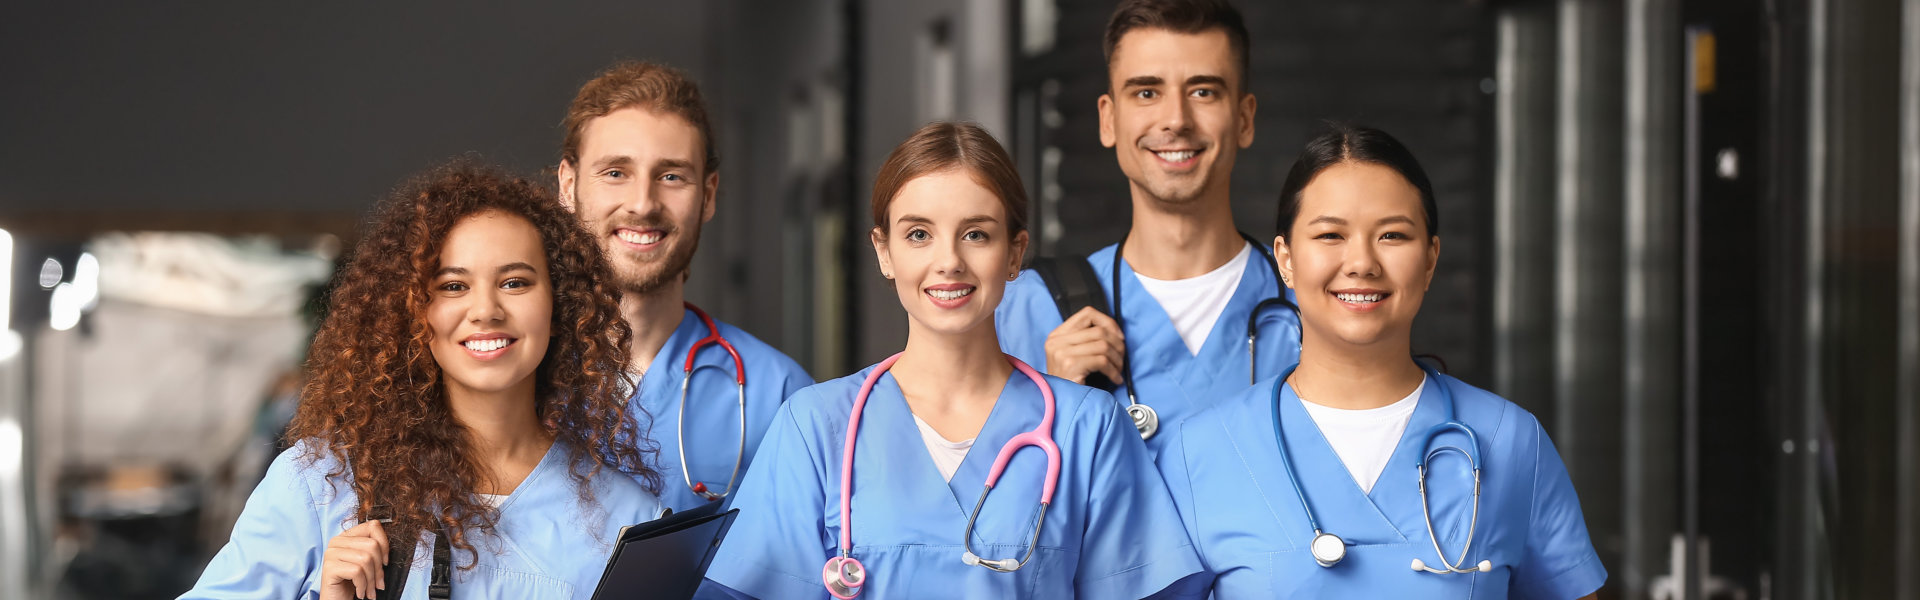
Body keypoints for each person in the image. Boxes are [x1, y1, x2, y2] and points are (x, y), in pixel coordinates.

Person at [700, 122, 1207, 599]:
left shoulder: (1088, 428)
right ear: (884, 252)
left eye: (976, 234)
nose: (949, 261)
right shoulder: (814, 428)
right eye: (919, 234)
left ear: (1014, 254)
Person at [1155, 124, 1606, 598]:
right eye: (1330, 235)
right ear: (1285, 259)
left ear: (1431, 259)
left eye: (1392, 235)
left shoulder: (1509, 441)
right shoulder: (1199, 452)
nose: (1362, 263)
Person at [182, 163, 666, 599]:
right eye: (453, 286)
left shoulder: (628, 524)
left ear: (559, 305)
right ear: (413, 313)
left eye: (515, 283)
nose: (486, 311)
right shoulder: (321, 487)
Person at [995, 0, 1299, 458]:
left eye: (1203, 92)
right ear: (1108, 119)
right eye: (1145, 93)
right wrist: (1054, 407)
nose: (1175, 119)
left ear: (1244, 118)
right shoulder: (1029, 309)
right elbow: (989, 518)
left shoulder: (1311, 310)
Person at [557, 61, 814, 512]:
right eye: (616, 172)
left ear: (709, 194)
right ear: (569, 184)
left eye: (671, 176)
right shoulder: (512, 369)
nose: (642, 203)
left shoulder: (778, 395)